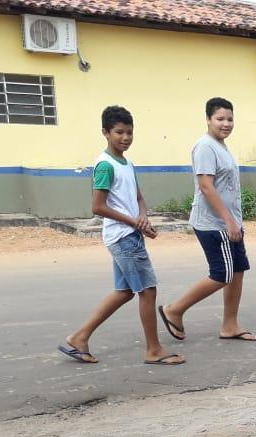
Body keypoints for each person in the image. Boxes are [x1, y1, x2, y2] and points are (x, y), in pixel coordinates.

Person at [58, 105, 185, 366]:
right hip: (123, 237)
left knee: (125, 292)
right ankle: (153, 349)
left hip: (130, 234)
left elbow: (138, 197)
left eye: (129, 133)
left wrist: (143, 218)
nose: (125, 138)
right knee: (148, 292)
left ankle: (80, 337)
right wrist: (134, 223)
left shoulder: (127, 163)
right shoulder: (105, 165)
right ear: (105, 133)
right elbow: (98, 206)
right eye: (119, 132)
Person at [158, 97, 256, 342]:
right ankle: (174, 310)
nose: (226, 124)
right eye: (220, 119)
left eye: (230, 119)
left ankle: (230, 325)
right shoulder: (205, 146)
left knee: (238, 270)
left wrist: (235, 221)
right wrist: (229, 221)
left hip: (230, 222)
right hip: (214, 223)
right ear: (208, 120)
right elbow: (206, 187)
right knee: (223, 273)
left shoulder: (221, 146)